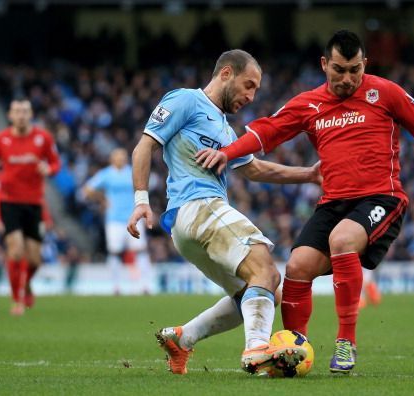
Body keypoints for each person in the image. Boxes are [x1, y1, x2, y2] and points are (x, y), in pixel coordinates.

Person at [196, 30, 414, 374]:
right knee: (298, 265)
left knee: (342, 239)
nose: (347, 79)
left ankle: (346, 341)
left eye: (354, 70)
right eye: (338, 70)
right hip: (333, 203)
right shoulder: (309, 103)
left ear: (365, 64)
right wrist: (226, 153)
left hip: (382, 197)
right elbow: (264, 132)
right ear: (323, 65)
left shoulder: (385, 92)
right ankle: (294, 349)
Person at [126, 49, 321, 375]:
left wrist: (309, 174)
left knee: (262, 292)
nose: (251, 95)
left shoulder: (226, 130)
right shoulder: (185, 100)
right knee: (266, 270)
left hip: (191, 226)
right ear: (227, 73)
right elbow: (145, 145)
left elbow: (255, 169)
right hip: (198, 207)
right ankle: (257, 348)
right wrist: (141, 200)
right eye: (249, 85)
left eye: (256, 90)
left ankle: (183, 338)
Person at [0, 98, 61, 315]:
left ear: (31, 114)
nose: (21, 115)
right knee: (15, 252)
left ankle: (26, 284)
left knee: (34, 259)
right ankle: (17, 300)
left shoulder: (43, 138)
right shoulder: (1, 139)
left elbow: (56, 163)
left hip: (34, 203)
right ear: (10, 115)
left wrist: (48, 168)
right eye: (17, 111)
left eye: (25, 111)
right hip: (9, 202)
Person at [83, 148, 154, 295]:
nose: (121, 159)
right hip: (114, 219)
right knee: (115, 252)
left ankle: (145, 286)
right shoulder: (106, 174)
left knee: (141, 251)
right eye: (118, 157)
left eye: (123, 157)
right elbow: (87, 189)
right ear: (112, 159)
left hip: (134, 217)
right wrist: (102, 199)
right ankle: (116, 286)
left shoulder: (132, 172)